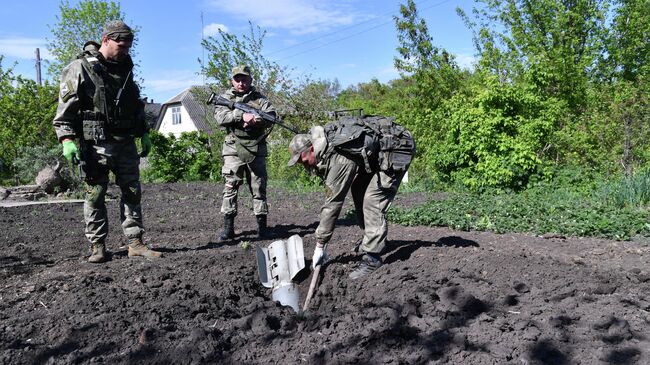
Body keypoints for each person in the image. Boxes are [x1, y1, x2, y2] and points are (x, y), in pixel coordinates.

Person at [53, 20, 161, 263]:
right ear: (105, 40)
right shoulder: (80, 68)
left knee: (132, 192)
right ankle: (98, 246)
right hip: (95, 144)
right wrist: (67, 139)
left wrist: (143, 132)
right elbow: (65, 111)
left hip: (125, 143)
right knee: (96, 194)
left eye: (128, 47)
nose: (125, 51)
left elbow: (135, 105)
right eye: (120, 45)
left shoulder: (125, 69)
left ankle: (135, 242)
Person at [287, 121, 413, 279]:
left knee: (373, 200)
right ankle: (372, 238)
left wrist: (320, 244)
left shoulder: (337, 158)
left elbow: (333, 203)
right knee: (359, 188)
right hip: (380, 153)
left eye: (304, 161)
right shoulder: (326, 147)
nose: (304, 166)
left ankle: (372, 258)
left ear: (312, 149)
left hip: (397, 148)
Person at [213, 65, 276, 241]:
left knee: (259, 187)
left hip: (256, 147)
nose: (241, 83)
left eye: (244, 79)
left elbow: (271, 115)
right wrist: (242, 116)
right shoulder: (225, 98)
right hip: (233, 148)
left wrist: (256, 120)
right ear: (232, 80)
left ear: (251, 80)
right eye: (237, 79)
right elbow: (220, 118)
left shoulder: (260, 99)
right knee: (231, 186)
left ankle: (262, 227)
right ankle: (228, 228)